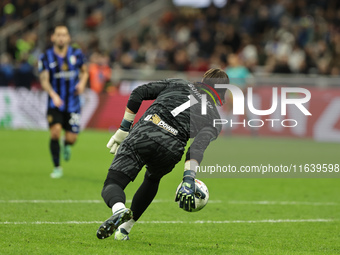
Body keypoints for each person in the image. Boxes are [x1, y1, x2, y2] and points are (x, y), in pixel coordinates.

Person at [96, 68, 229, 240]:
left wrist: (123, 128)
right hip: (171, 148)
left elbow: (138, 93)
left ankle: (119, 209)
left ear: (204, 81)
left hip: (145, 132)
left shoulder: (178, 83)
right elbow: (196, 149)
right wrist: (188, 178)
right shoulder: (214, 118)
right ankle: (124, 230)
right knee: (152, 179)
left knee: (113, 182)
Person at [38, 25, 88, 178]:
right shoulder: (46, 57)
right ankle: (57, 167)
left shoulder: (76, 54)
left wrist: (82, 84)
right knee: (55, 132)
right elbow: (44, 80)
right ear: (53, 37)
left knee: (72, 138)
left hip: (73, 102)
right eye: (58, 35)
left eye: (64, 35)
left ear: (68, 38)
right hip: (55, 103)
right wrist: (53, 95)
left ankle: (67, 145)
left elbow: (85, 72)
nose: (61, 38)